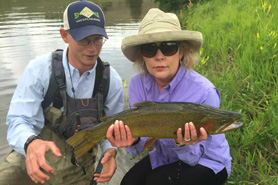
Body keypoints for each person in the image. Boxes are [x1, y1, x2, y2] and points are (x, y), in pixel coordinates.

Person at [0, 1, 124, 185]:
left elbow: (112, 131)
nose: (92, 48)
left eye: (97, 39)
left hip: (78, 165)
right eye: (84, 39)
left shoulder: (110, 80)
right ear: (64, 35)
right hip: (32, 158)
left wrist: (110, 152)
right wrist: (31, 143)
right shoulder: (39, 69)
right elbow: (19, 120)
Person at [107, 8, 231, 185]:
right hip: (164, 156)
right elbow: (142, 146)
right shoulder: (137, 84)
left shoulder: (204, 91)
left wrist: (184, 143)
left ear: (181, 51)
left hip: (206, 161)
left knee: (154, 182)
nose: (159, 56)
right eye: (150, 49)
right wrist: (133, 140)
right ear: (142, 56)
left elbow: (193, 158)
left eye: (169, 47)